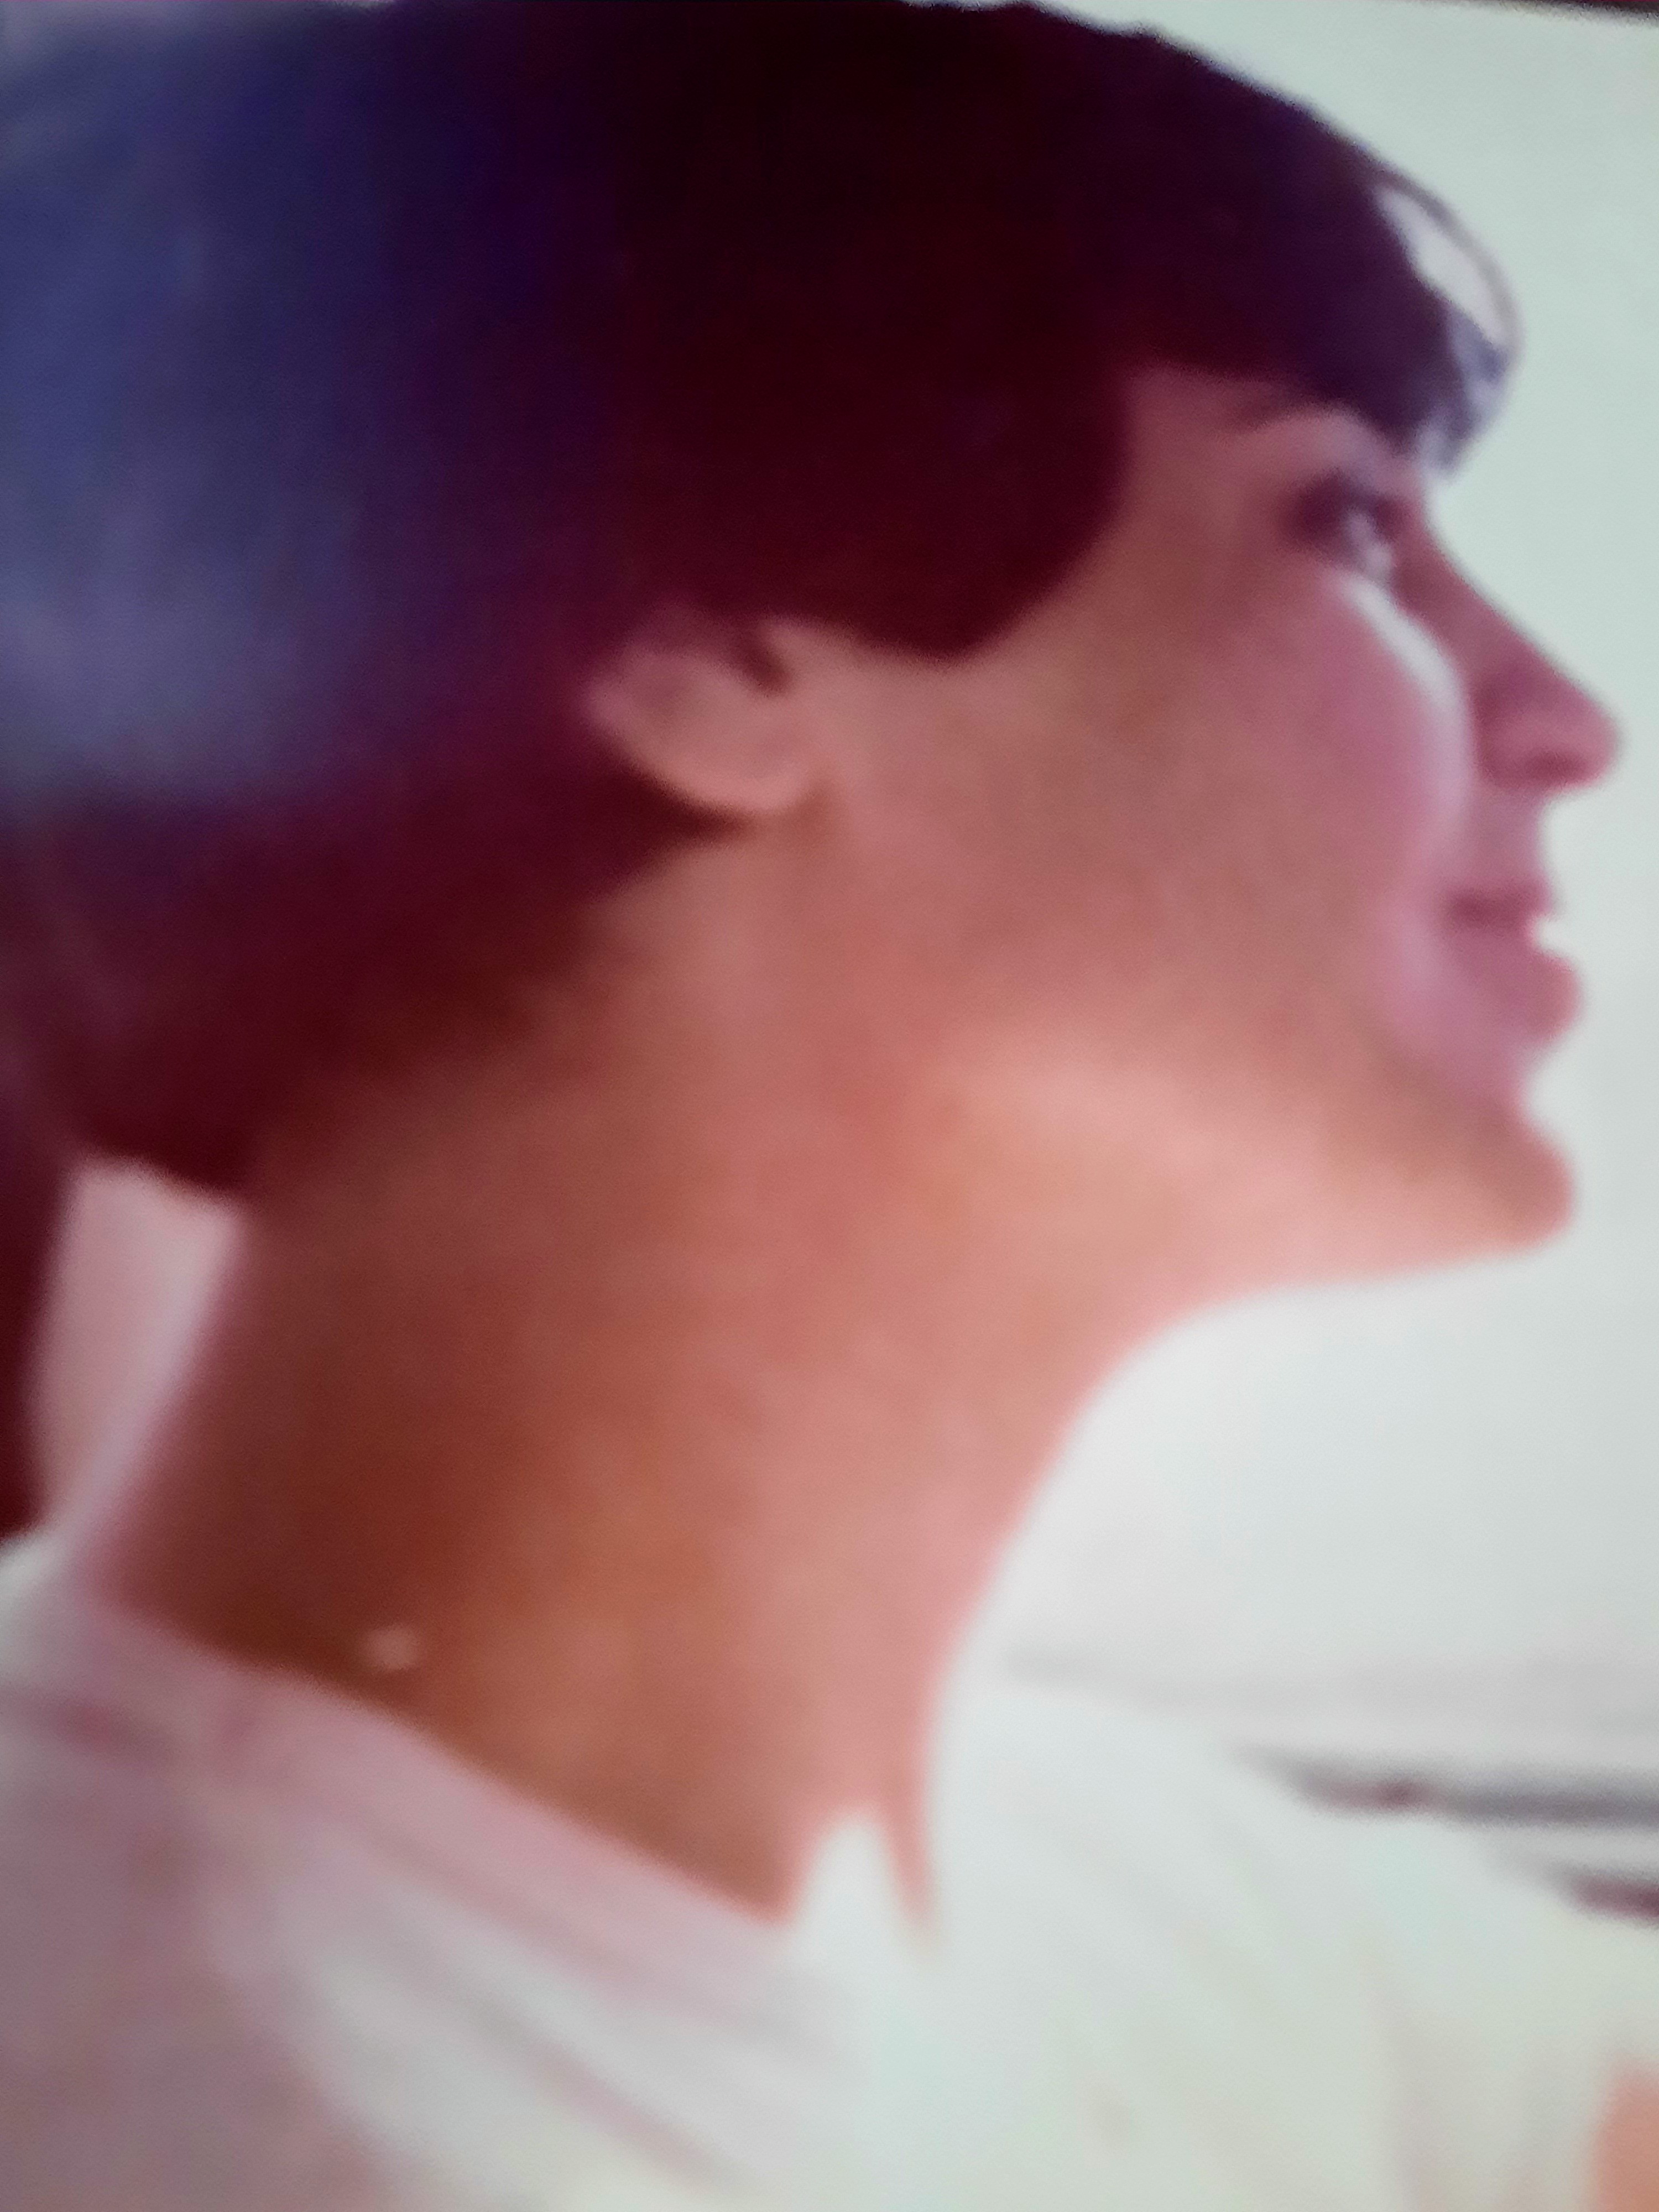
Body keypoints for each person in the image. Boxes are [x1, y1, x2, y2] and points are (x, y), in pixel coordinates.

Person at [0, 2, 1641, 2204]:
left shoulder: (1068, 1889)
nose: (1568, 718)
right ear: (700, 657)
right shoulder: (230, 2129)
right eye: (1347, 526)